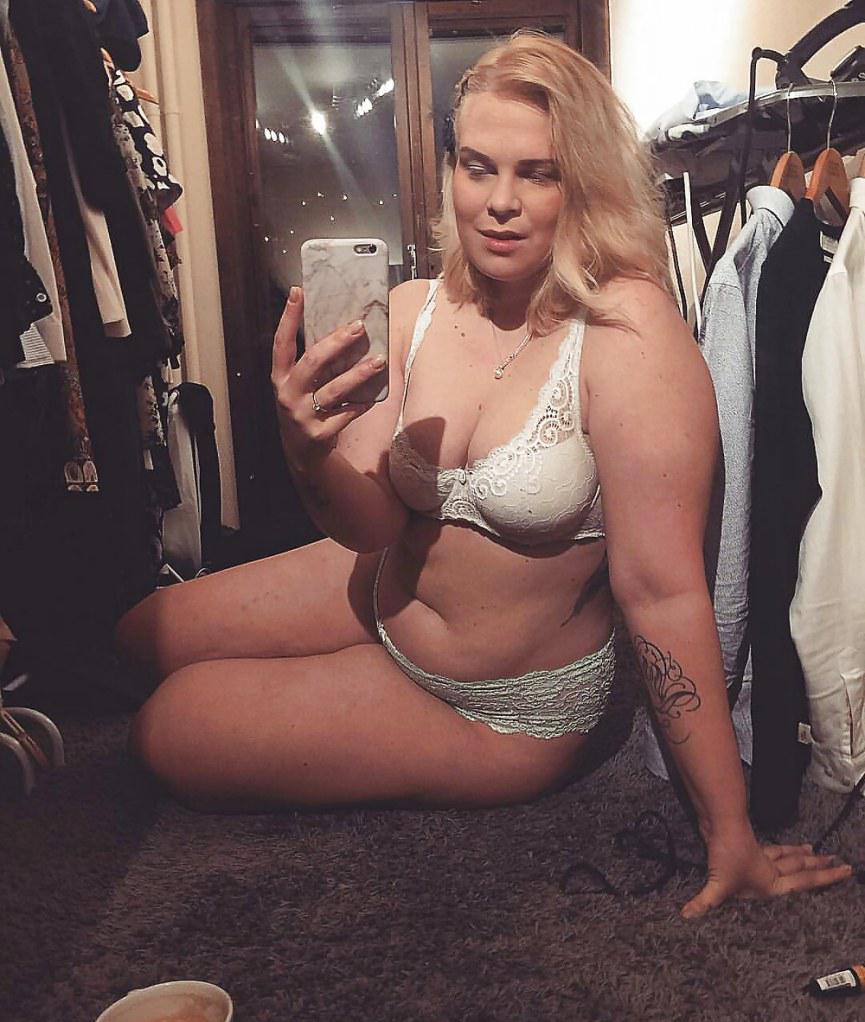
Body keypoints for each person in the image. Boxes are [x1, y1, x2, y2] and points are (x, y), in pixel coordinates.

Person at [117, 33, 852, 917]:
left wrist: (727, 831)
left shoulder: (627, 335)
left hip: (500, 703)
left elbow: (661, 592)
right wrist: (306, 453)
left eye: (537, 174)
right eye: (477, 167)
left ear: (584, 182)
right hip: (382, 586)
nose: (500, 202)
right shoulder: (415, 306)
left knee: (170, 726)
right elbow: (370, 522)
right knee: (143, 633)